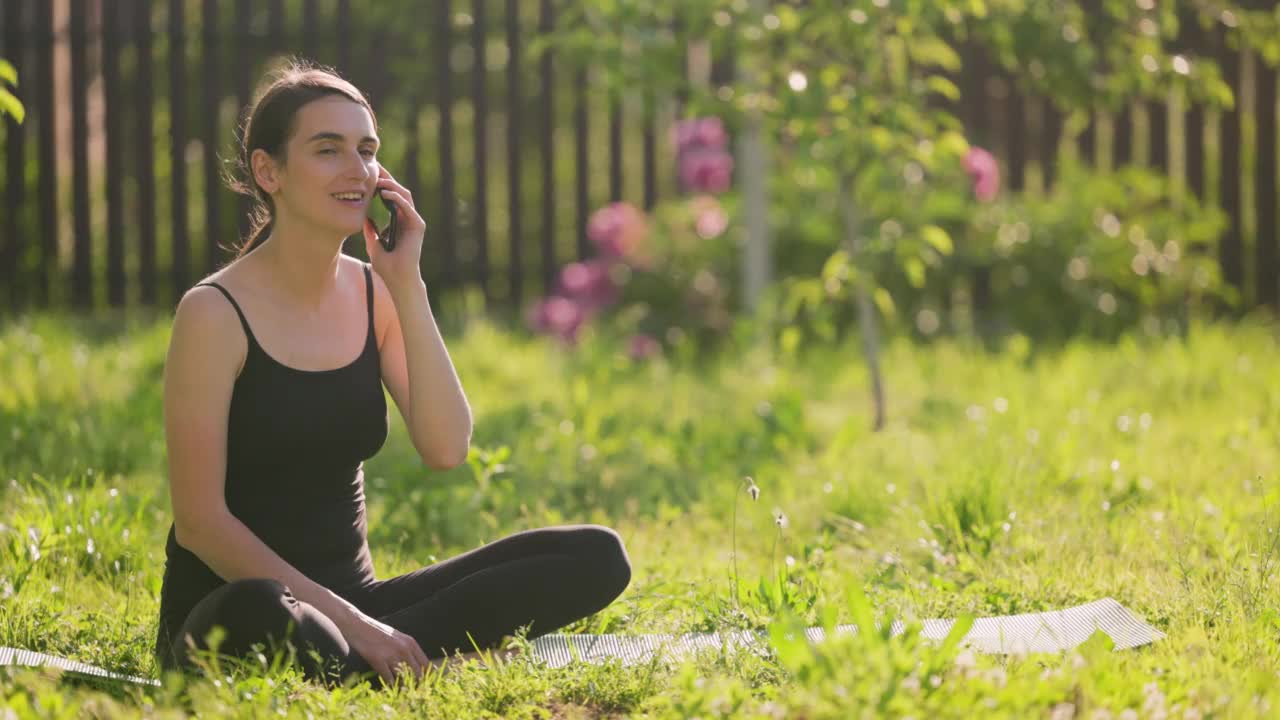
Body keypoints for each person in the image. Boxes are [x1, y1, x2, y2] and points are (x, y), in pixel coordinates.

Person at [154, 59, 631, 688]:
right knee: (266, 611)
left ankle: (378, 666)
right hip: (240, 614)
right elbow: (201, 524)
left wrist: (406, 286)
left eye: (367, 150)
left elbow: (446, 446)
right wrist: (358, 626)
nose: (357, 170)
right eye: (328, 150)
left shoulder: (377, 294)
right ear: (268, 171)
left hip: (363, 606)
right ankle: (401, 661)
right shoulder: (213, 313)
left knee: (595, 555)